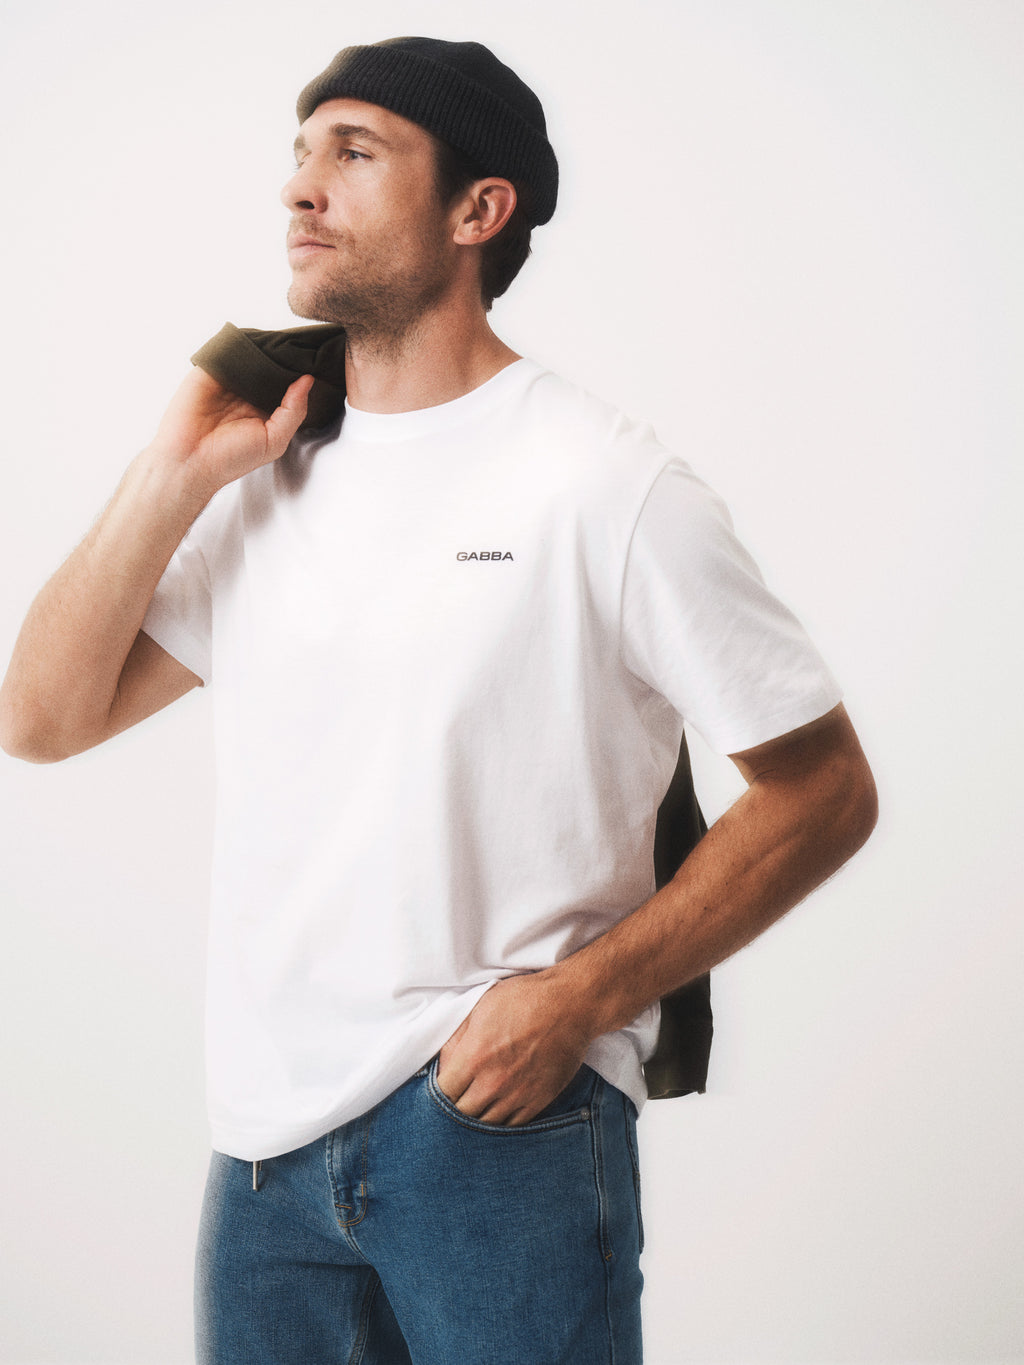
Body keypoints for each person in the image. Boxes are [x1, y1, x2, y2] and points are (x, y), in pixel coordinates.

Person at [0, 36, 877, 1365]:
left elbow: (824, 792)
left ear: (480, 210)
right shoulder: (270, 476)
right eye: (299, 155)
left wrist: (579, 1000)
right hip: (261, 1158)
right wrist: (170, 468)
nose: (303, 189)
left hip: (494, 1125)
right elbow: (40, 717)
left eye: (355, 154)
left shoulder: (604, 484)